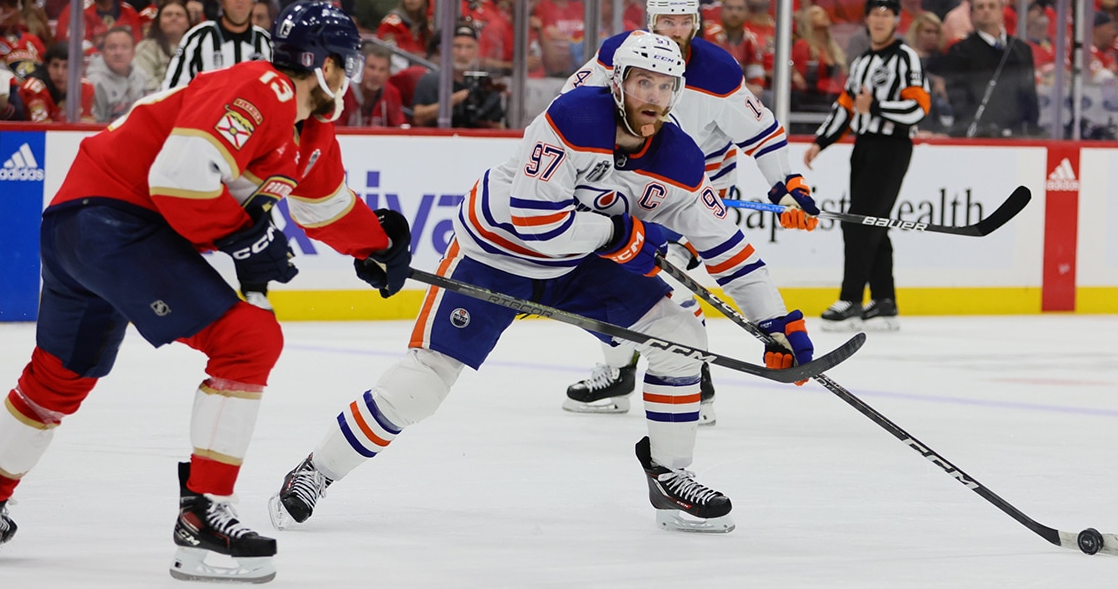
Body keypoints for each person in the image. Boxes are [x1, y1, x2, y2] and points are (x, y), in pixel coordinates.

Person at [267, 30, 814, 537]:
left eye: (666, 86)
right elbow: (535, 221)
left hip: (579, 263)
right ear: (618, 83)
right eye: (642, 81)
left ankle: (669, 477)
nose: (654, 94)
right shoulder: (573, 118)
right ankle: (316, 469)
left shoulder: (681, 160)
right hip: (497, 252)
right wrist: (620, 233)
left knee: (682, 339)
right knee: (424, 383)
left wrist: (778, 324)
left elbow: (729, 249)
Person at [0, 1, 412, 583]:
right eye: (345, 62)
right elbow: (180, 178)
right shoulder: (261, 88)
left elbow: (325, 208)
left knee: (59, 376)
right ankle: (203, 515)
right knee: (249, 339)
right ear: (320, 63)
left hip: (75, 226)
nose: (349, 74)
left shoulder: (308, 132)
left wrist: (377, 247)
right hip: (113, 222)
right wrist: (244, 238)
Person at [558, 0, 819, 424]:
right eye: (666, 21)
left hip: (692, 191)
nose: (676, 30)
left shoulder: (716, 72)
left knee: (667, 281)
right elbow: (568, 104)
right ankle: (620, 370)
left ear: (696, 22)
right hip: (629, 188)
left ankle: (694, 377)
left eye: (684, 21)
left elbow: (763, 133)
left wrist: (786, 183)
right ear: (649, 22)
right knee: (601, 274)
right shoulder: (618, 56)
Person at [803, 0, 930, 332]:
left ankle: (851, 298)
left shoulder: (906, 59)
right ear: (867, 19)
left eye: (886, 13)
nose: (879, 19)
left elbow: (918, 107)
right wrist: (821, 142)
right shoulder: (860, 63)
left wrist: (874, 108)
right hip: (864, 146)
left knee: (858, 222)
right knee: (873, 223)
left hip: (892, 147)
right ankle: (885, 301)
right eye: (874, 12)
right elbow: (846, 106)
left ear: (896, 20)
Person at [940, 0, 1039, 137]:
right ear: (972, 15)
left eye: (992, 6)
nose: (986, 11)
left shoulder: (1021, 49)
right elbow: (956, 92)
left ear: (1001, 12)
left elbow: (1029, 90)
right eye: (980, 7)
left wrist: (1030, 125)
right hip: (976, 131)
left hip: (1016, 132)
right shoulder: (960, 50)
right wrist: (968, 122)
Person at [161, 0, 273, 91]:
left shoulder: (266, 41)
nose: (239, 0)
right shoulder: (198, 37)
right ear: (221, 1)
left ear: (253, 2)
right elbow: (173, 86)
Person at [412, 22, 505, 129]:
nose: (462, 54)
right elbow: (418, 118)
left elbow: (500, 126)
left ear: (477, 50)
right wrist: (455, 100)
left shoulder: (485, 84)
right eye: (457, 46)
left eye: (469, 47)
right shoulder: (431, 80)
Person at [17, 41, 96, 123]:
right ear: (47, 66)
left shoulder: (84, 87)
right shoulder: (34, 89)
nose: (60, 73)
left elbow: (87, 126)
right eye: (55, 65)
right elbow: (43, 130)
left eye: (66, 66)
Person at [88, 26, 152, 123]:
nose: (118, 53)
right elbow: (95, 125)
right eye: (112, 47)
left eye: (125, 47)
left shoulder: (141, 75)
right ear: (103, 52)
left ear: (133, 52)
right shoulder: (94, 82)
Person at [340, 42, 406, 127]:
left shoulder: (392, 93)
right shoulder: (343, 91)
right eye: (372, 67)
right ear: (360, 68)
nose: (376, 74)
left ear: (388, 74)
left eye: (382, 69)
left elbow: (399, 129)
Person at [136, 0, 195, 91]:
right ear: (158, 22)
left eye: (179, 15)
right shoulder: (146, 47)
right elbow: (145, 82)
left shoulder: (197, 47)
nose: (174, 18)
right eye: (168, 14)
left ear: (188, 23)